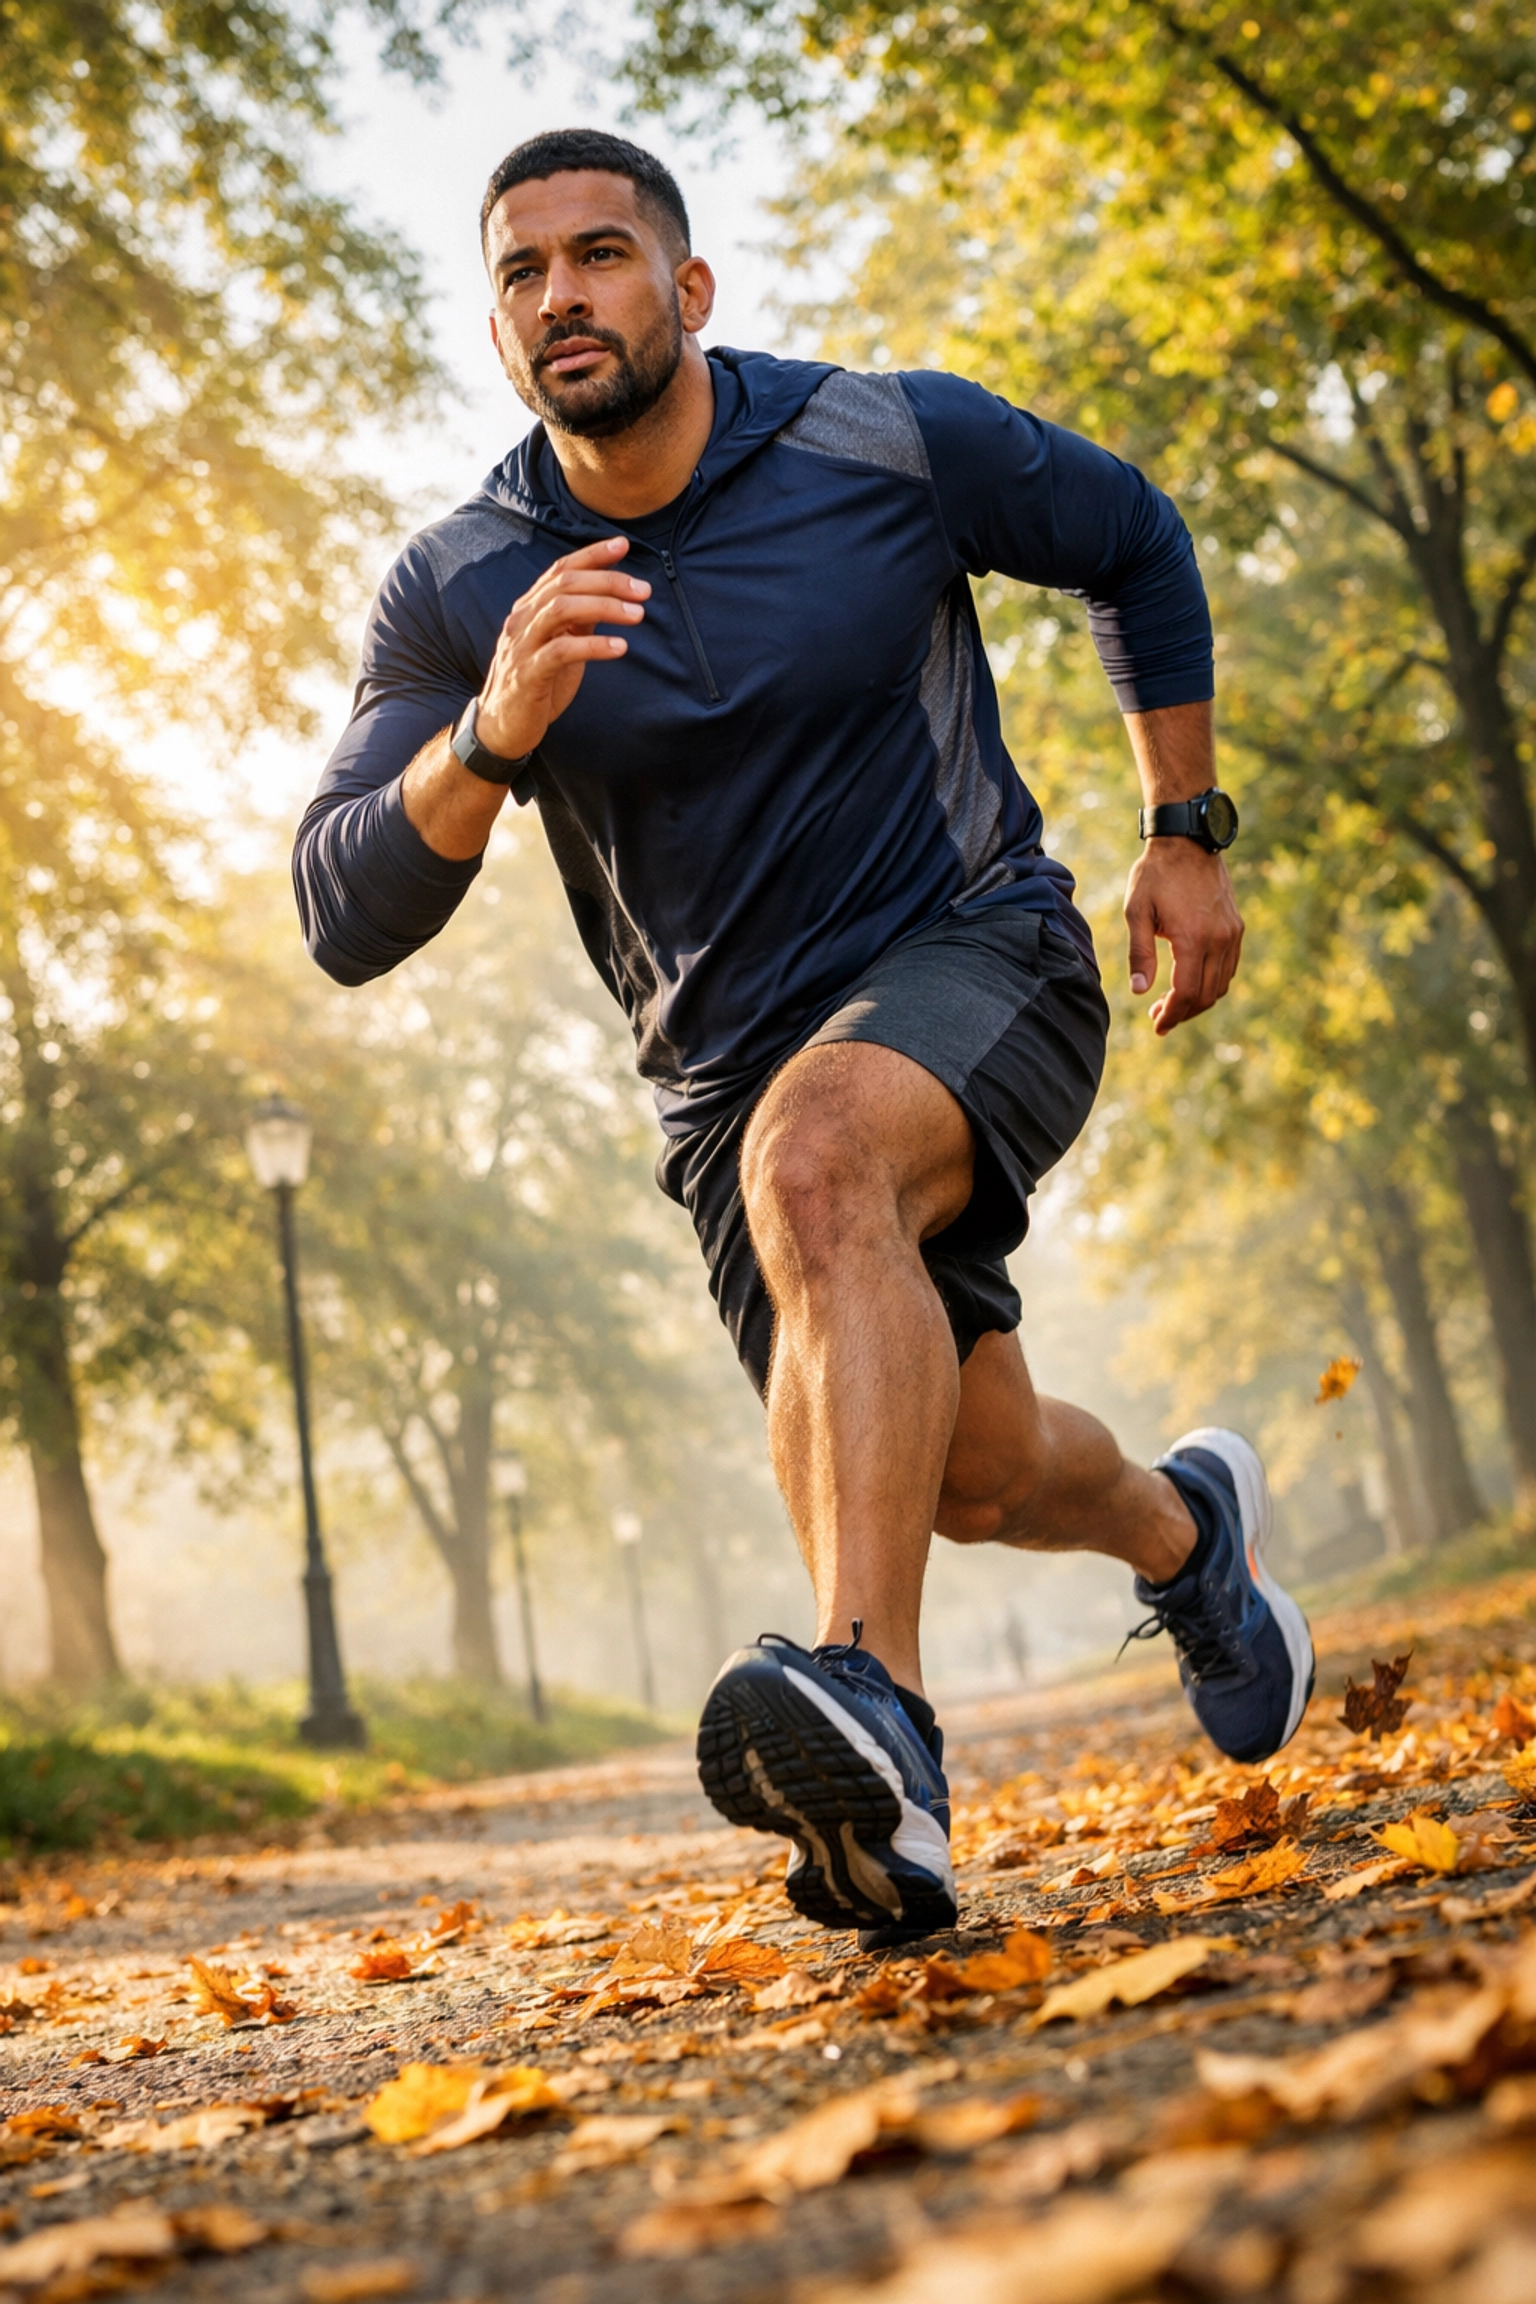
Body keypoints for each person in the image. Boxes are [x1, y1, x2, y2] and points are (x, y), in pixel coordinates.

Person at [294, 127, 1314, 1947]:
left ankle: (882, 1726)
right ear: (501, 328)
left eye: (600, 256)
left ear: (687, 291)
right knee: (977, 1476)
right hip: (722, 1098)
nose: (562, 297)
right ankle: (1185, 1538)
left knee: (821, 1149)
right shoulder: (461, 587)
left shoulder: (881, 439)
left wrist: (1184, 831)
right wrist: (491, 734)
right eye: (522, 274)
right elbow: (345, 912)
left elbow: (1131, 537)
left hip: (977, 948)